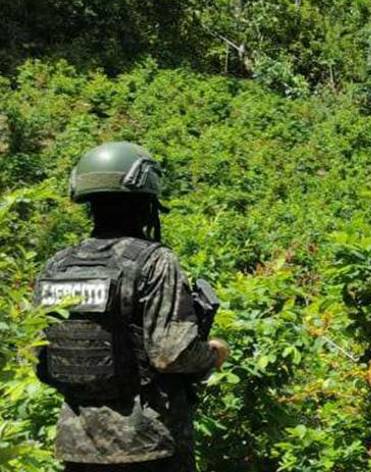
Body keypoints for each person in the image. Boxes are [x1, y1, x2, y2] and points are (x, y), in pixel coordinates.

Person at [34, 141, 229, 472]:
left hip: (78, 447)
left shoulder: (57, 266)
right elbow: (171, 353)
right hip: (149, 445)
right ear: (146, 201)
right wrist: (214, 352)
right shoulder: (154, 261)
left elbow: (42, 359)